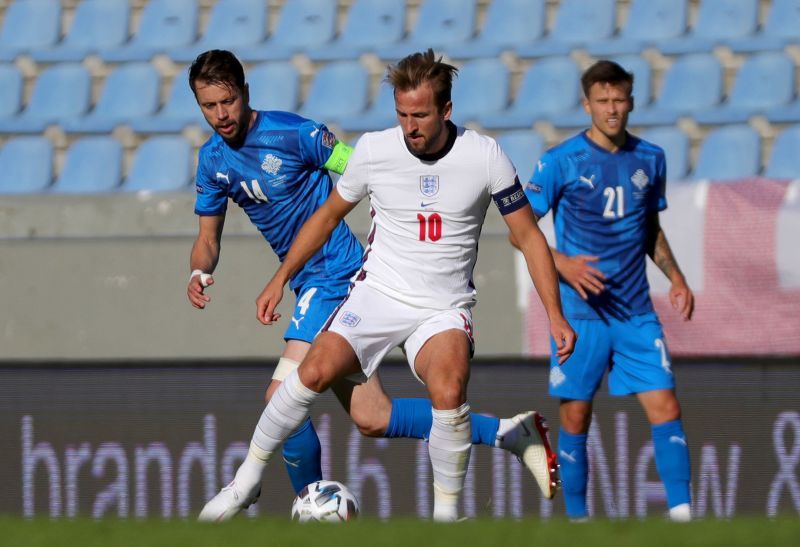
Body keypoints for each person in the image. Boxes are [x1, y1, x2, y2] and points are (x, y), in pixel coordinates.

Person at [197, 49, 576, 523]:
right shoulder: (376, 151)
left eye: (419, 115)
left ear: (446, 110)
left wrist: (555, 314)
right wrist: (279, 277)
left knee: (449, 386)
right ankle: (246, 483)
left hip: (440, 305)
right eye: (401, 114)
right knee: (332, 391)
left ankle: (448, 521)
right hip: (375, 294)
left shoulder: (485, 155)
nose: (410, 126)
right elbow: (327, 216)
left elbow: (528, 237)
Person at [517, 60, 694, 522]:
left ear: (631, 101)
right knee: (575, 418)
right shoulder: (560, 161)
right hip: (580, 315)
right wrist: (563, 264)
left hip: (635, 312)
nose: (612, 109)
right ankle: (578, 523)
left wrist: (675, 277)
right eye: (603, 101)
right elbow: (520, 231)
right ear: (587, 104)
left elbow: (649, 228)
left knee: (666, 404)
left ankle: (683, 519)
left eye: (619, 100)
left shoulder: (651, 158)